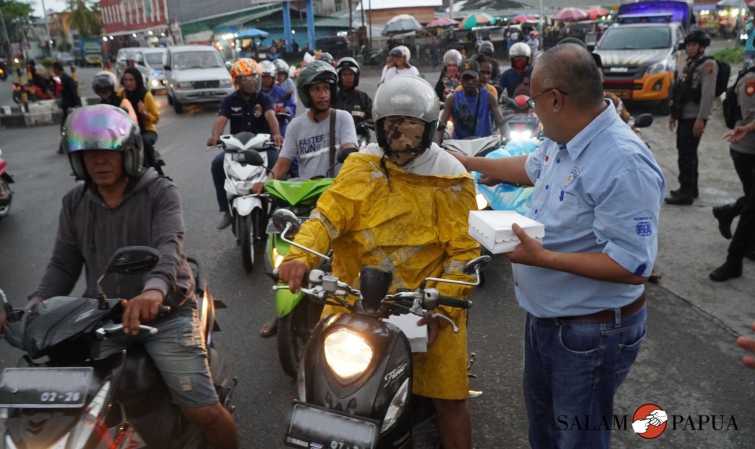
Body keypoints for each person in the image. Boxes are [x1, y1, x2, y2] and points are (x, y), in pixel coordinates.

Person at [452, 44, 664, 449]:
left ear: (555, 99)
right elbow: (530, 169)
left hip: (592, 331)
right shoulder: (564, 137)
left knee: (578, 438)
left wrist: (543, 258)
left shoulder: (622, 161)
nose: (532, 110)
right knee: (546, 429)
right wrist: (473, 166)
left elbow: (632, 263)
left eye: (534, 100)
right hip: (548, 319)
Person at [277, 75, 480, 449]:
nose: (400, 134)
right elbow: (327, 215)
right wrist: (299, 254)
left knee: (451, 403)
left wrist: (441, 304)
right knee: (317, 388)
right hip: (353, 299)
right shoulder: (362, 166)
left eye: (410, 126)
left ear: (429, 128)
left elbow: (464, 254)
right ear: (379, 126)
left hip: (425, 308)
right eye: (392, 125)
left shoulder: (451, 178)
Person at [23, 104, 239, 449]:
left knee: (203, 411)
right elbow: (63, 266)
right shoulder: (74, 203)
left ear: (130, 153)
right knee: (74, 405)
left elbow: (169, 248)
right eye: (89, 153)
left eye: (109, 151)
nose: (100, 161)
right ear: (78, 160)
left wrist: (153, 292)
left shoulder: (160, 193)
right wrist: (35, 308)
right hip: (101, 316)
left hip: (167, 312)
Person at [258, 60, 357, 338]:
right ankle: (281, 310)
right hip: (301, 198)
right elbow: (283, 163)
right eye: (316, 89)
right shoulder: (296, 126)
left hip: (336, 196)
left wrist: (349, 155)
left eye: (326, 88)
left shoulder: (343, 119)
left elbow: (350, 149)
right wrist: (265, 181)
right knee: (281, 250)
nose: (323, 94)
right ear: (306, 93)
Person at [206, 58, 282, 230]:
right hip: (237, 148)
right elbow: (221, 120)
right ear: (238, 81)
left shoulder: (264, 98)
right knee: (217, 164)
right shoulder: (229, 101)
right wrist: (215, 136)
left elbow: (271, 116)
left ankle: (279, 207)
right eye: (248, 78)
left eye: (255, 77)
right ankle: (226, 209)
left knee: (278, 164)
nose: (253, 81)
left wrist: (276, 134)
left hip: (263, 146)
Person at [709, 77, 755, 279]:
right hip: (747, 149)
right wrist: (748, 128)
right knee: (752, 208)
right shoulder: (750, 78)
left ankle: (728, 213)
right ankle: (734, 260)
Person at [667, 29, 718, 205]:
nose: (689, 48)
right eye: (688, 45)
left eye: (693, 45)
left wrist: (701, 119)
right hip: (683, 115)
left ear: (702, 47)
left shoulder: (708, 65)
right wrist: (674, 115)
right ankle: (690, 188)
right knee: (686, 153)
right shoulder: (689, 63)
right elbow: (680, 90)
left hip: (694, 118)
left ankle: (686, 193)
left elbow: (708, 95)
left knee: (687, 155)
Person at [435, 60, 505, 141]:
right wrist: (437, 143)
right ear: (460, 79)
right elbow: (442, 124)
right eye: (466, 78)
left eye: (472, 78)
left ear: (478, 77)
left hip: (485, 144)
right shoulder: (452, 99)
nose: (470, 82)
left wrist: (507, 139)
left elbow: (501, 121)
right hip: (459, 145)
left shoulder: (489, 98)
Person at [121, 67, 161, 171]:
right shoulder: (122, 94)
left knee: (143, 141)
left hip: (147, 131)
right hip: (126, 132)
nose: (128, 83)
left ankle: (155, 169)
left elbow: (156, 118)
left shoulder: (146, 95)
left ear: (137, 81)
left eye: (131, 80)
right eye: (125, 80)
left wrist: (145, 113)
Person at [334, 57, 373, 137]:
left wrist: (364, 124)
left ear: (356, 76)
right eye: (344, 74)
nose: (348, 77)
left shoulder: (363, 98)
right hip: (337, 139)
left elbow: (375, 118)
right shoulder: (332, 98)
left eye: (351, 74)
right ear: (339, 77)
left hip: (361, 141)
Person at [52, 61, 81, 154]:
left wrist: (77, 105)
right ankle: (63, 147)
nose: (53, 71)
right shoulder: (61, 78)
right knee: (66, 127)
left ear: (57, 69)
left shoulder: (66, 79)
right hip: (67, 106)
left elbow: (74, 92)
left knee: (66, 127)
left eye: (54, 69)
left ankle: (64, 147)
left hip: (70, 107)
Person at [260, 60, 295, 136]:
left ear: (273, 77)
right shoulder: (254, 93)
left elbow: (292, 106)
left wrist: (287, 110)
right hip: (259, 130)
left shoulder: (281, 92)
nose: (266, 80)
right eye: (263, 77)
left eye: (268, 77)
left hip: (280, 130)